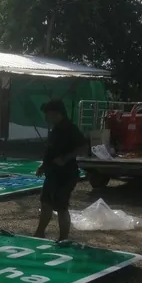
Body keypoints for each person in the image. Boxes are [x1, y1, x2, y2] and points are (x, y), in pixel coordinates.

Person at [34, 99, 87, 242]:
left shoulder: (71, 129)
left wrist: (65, 158)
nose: (46, 117)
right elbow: (50, 152)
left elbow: (83, 147)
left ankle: (63, 238)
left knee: (61, 206)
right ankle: (39, 233)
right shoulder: (55, 130)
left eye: (48, 113)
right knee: (46, 203)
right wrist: (43, 166)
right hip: (52, 173)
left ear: (57, 113)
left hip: (66, 174)